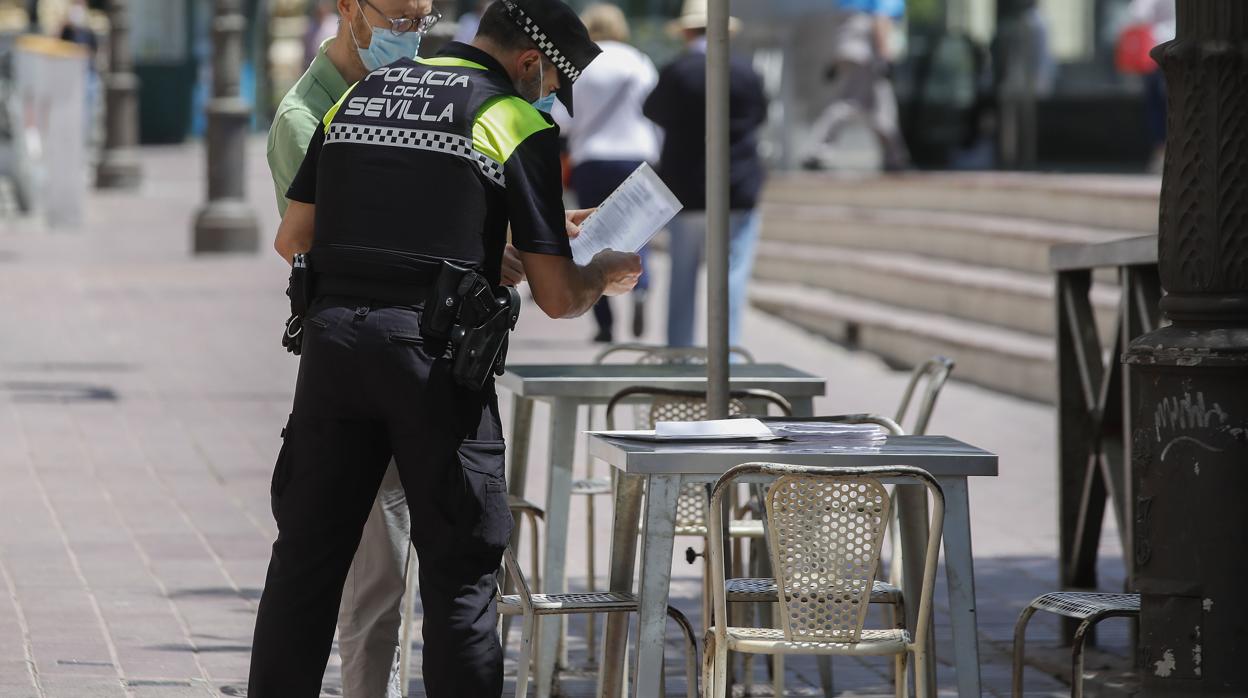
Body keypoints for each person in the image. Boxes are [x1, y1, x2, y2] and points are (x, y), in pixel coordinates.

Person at [248, 0, 640, 695]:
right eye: (551, 83)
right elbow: (553, 294)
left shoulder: (361, 96)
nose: (549, 97)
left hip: (334, 350)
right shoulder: (514, 119)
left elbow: (292, 237)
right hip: (433, 362)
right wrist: (603, 276)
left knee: (304, 565)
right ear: (528, 61)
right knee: (460, 575)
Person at [644, 0, 766, 349]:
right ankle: (729, 355)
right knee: (733, 273)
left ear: (685, 31)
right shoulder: (745, 71)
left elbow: (651, 110)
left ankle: (679, 354)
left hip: (685, 190)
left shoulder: (677, 71)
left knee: (682, 275)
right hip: (737, 187)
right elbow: (760, 116)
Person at [553, 2, 658, 343]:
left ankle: (604, 323)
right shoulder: (639, 61)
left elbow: (561, 120)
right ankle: (641, 286)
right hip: (637, 156)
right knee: (640, 231)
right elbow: (657, 114)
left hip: (593, 158)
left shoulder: (579, 64)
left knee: (594, 241)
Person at [804, 0, 911, 172]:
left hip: (852, 41)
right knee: (850, 102)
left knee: (881, 106)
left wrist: (836, 61)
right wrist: (886, 57)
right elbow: (880, 19)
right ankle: (815, 152)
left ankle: (894, 157)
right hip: (868, 46)